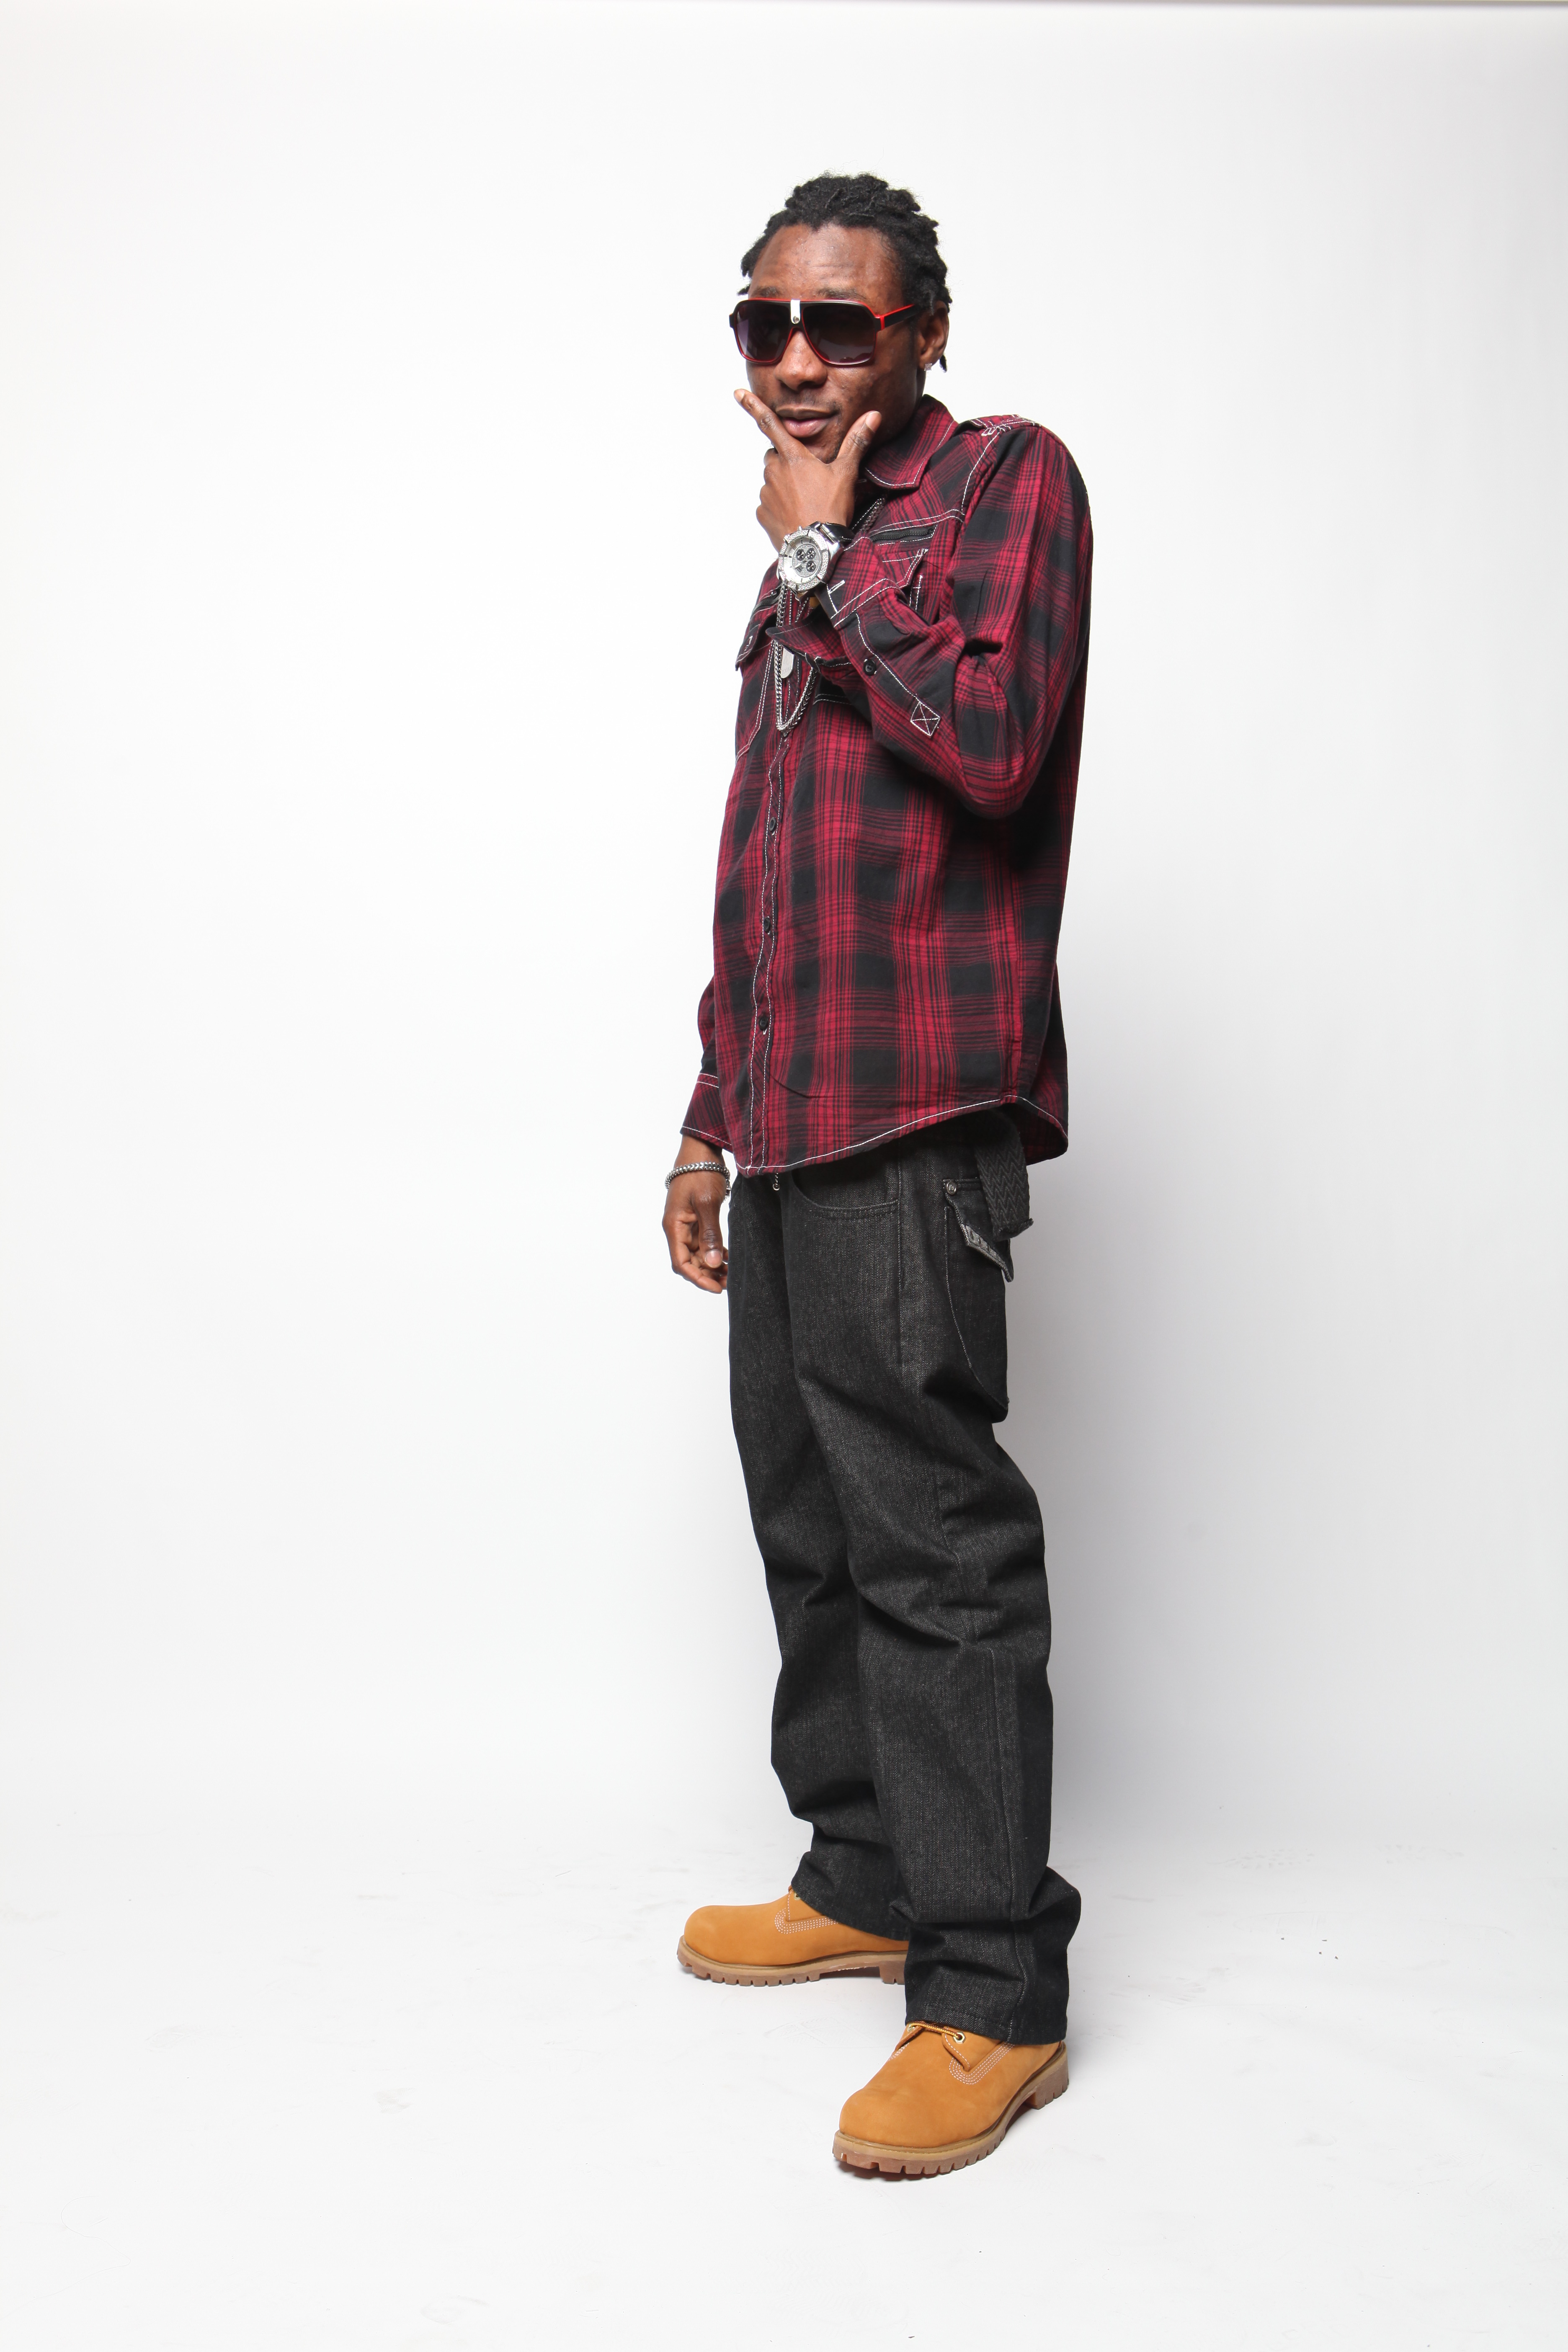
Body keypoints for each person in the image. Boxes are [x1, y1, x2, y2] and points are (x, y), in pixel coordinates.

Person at [661, 173, 1093, 2179]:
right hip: (790, 1115)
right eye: (766, 322)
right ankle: (864, 1869)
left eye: (839, 321)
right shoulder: (800, 567)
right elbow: (772, 859)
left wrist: (826, 555)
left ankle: (995, 1990)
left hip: (918, 1112)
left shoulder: (1000, 483)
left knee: (932, 1548)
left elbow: (995, 743)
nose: (800, 358)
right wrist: (706, 1109)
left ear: (924, 330)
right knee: (813, 1524)